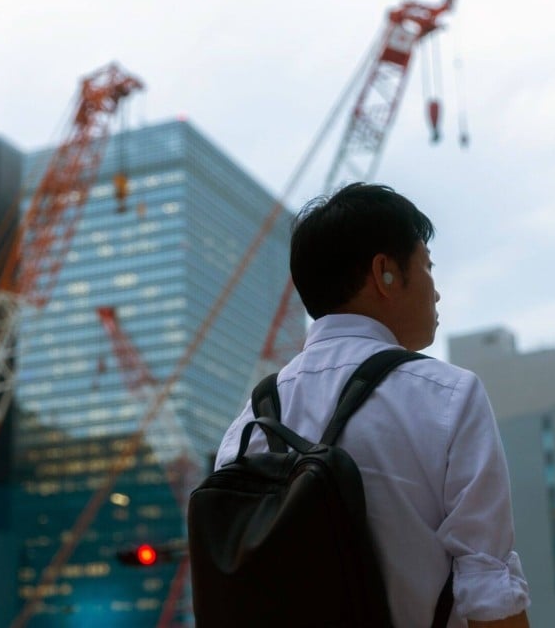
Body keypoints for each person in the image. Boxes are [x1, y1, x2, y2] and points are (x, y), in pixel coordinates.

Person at [215, 183, 530, 627]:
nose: (435, 292)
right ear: (385, 273)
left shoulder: (253, 419)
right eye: (427, 266)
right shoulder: (449, 395)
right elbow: (488, 588)